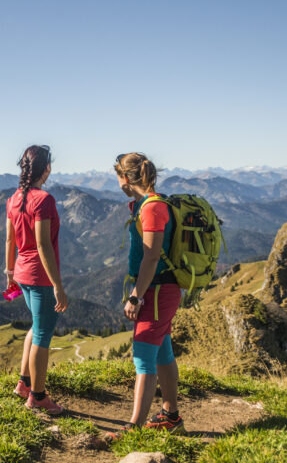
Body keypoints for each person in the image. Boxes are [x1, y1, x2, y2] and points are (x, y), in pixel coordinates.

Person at [106, 152, 185, 440]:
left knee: (142, 357)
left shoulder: (151, 208)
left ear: (126, 178)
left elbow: (151, 258)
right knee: (162, 351)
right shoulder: (152, 202)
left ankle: (134, 428)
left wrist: (136, 296)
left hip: (157, 291)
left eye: (117, 175)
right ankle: (170, 416)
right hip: (164, 289)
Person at [5, 144, 68, 414]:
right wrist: (58, 286)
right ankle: (38, 396)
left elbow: (9, 239)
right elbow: (43, 245)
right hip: (40, 276)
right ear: (47, 168)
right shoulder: (43, 200)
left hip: (22, 273)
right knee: (43, 333)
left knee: (36, 326)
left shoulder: (14, 198)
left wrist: (9, 273)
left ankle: (24, 384)